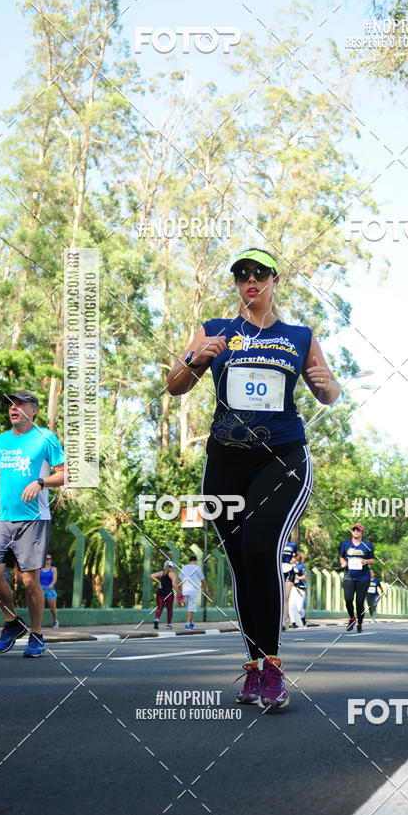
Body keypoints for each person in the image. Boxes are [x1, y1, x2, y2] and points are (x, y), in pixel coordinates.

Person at [167, 248, 341, 710]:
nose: (250, 280)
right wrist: (193, 355)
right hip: (225, 461)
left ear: (273, 281)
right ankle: (256, 669)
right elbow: (175, 384)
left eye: (259, 273)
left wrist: (327, 386)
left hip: (281, 457)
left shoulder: (299, 335)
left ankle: (275, 671)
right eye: (242, 274)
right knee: (243, 563)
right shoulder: (216, 330)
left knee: (262, 548)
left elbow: (329, 391)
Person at [0, 391, 65, 658]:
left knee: (28, 580)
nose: (14, 408)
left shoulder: (46, 438)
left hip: (33, 518)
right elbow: (0, 472)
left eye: (20, 404)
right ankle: (13, 623)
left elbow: (64, 474)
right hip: (3, 518)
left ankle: (36, 634)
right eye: (11, 404)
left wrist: (40, 482)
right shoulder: (1, 441)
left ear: (33, 410)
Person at [339, 523, 375, 633]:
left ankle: (359, 623)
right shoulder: (345, 544)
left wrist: (365, 561)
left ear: (361, 532)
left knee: (359, 602)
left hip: (363, 577)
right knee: (348, 599)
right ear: (351, 531)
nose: (356, 531)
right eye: (354, 529)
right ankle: (352, 618)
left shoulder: (367, 545)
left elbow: (373, 560)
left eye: (358, 530)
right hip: (349, 575)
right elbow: (341, 556)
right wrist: (343, 563)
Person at [177, 554, 208, 630]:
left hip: (185, 591)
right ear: (196, 561)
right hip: (193, 591)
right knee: (191, 609)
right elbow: (202, 580)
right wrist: (206, 588)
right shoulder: (197, 568)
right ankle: (187, 624)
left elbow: (180, 580)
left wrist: (180, 590)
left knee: (189, 608)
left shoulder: (184, 567)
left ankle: (191, 623)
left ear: (189, 561)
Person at [151, 560, 178, 629]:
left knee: (160, 607)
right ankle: (169, 624)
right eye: (171, 567)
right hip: (169, 594)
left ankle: (157, 619)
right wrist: (179, 592)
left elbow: (152, 575)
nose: (172, 568)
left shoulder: (161, 573)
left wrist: (159, 582)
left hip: (160, 593)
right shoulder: (172, 574)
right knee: (169, 609)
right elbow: (174, 585)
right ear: (170, 567)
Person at [39, 554, 60, 628]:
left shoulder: (53, 569)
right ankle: (38, 623)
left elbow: (54, 579)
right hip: (40, 589)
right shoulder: (39, 569)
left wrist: (51, 584)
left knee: (52, 607)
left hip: (50, 588)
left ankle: (55, 620)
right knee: (40, 607)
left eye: (50, 559)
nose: (48, 560)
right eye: (47, 559)